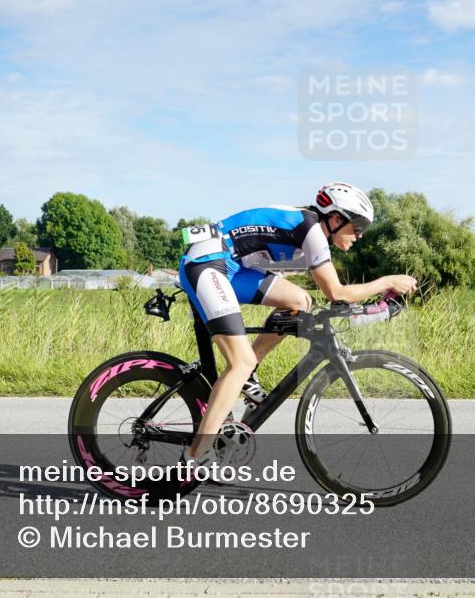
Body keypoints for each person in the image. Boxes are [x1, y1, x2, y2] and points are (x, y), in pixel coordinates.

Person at [177, 182, 417, 466]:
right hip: (206, 263)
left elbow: (330, 295)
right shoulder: (312, 230)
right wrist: (388, 282)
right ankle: (195, 455)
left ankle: (249, 372)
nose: (360, 235)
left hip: (231, 265)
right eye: (357, 226)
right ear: (336, 219)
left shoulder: (311, 229)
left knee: (299, 302)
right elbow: (336, 292)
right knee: (237, 364)